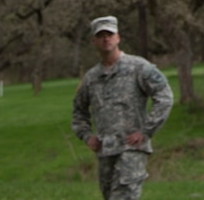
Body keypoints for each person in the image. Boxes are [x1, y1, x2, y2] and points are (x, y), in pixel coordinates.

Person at [72, 16, 173, 200]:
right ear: (94, 41)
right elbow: (78, 111)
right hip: (105, 151)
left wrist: (146, 130)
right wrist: (87, 136)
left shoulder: (139, 67)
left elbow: (164, 97)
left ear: (118, 37)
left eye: (109, 34)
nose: (106, 39)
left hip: (131, 149)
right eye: (101, 35)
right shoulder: (91, 78)